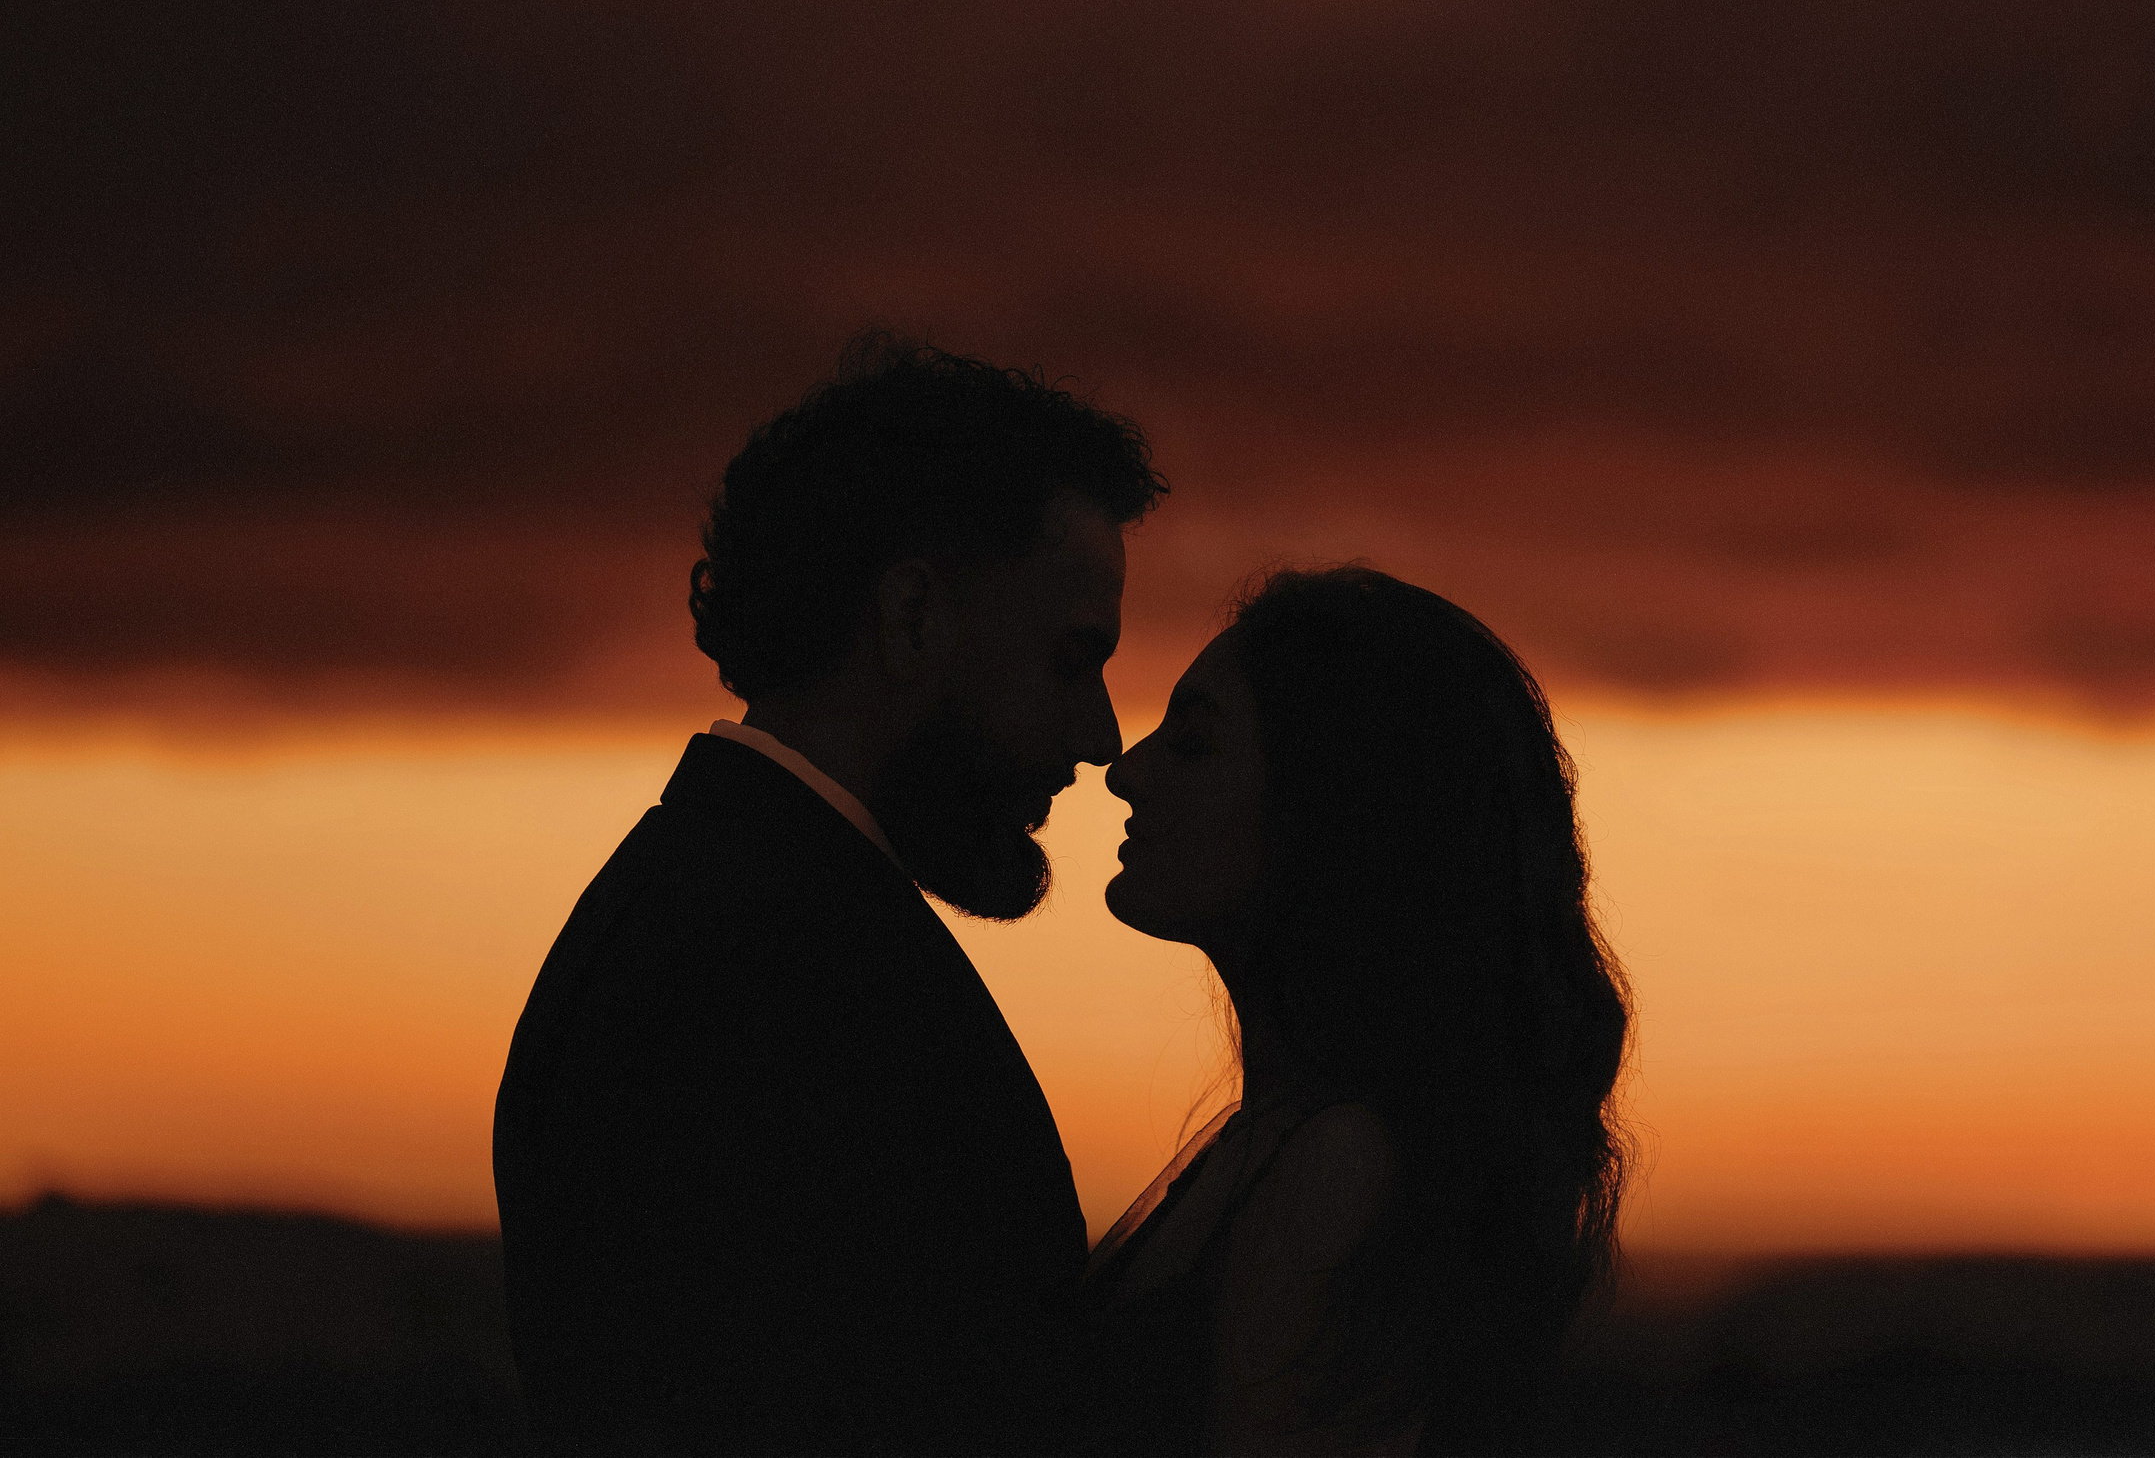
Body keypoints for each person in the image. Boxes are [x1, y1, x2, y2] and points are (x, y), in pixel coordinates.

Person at [492, 336, 1166, 1456]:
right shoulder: (778, 975)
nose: (1099, 739)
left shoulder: (697, 913)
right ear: (909, 619)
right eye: (1069, 658)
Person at [1088, 567, 1634, 1456]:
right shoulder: (1290, 1137)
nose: (1127, 770)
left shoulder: (1341, 1163)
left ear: (1332, 801)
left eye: (1191, 742)